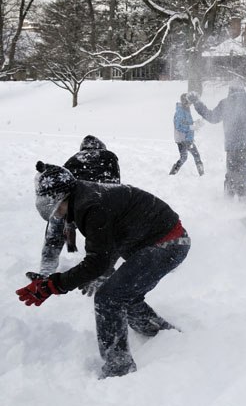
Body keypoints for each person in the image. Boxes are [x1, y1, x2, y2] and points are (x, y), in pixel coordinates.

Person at [16, 162, 190, 379]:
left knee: (108, 298)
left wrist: (54, 284)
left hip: (168, 243)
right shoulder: (82, 197)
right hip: (156, 242)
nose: (56, 213)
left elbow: (97, 260)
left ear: (63, 196)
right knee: (123, 294)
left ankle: (119, 368)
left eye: (55, 205)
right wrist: (94, 272)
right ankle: (160, 333)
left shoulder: (90, 206)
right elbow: (106, 246)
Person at [38, 136, 123, 277]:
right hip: (97, 203)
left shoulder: (74, 158)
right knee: (101, 235)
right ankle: (102, 269)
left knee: (55, 230)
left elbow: (63, 184)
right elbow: (115, 185)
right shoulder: (110, 157)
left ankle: (46, 270)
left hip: (69, 202)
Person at [188, 82, 246, 198]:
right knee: (243, 171)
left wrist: (197, 103)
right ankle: (243, 197)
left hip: (232, 145)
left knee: (232, 172)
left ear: (230, 92)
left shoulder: (225, 103)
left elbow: (212, 117)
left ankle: (229, 198)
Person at [170, 93, 204, 176]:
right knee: (186, 157)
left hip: (188, 139)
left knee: (190, 157)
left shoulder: (186, 110)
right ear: (185, 102)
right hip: (183, 139)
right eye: (189, 102)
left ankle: (202, 174)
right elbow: (179, 126)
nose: (191, 104)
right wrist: (192, 127)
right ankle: (172, 174)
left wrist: (196, 123)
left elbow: (187, 123)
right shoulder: (180, 111)